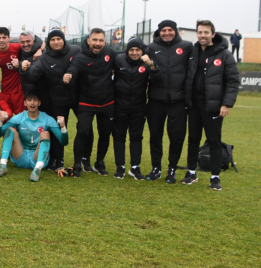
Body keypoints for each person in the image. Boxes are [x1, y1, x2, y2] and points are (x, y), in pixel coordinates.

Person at [182, 20, 240, 191]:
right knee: (193, 140)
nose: (202, 35)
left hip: (213, 107)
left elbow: (233, 81)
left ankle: (215, 177)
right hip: (194, 105)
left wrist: (226, 104)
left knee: (214, 141)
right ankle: (191, 173)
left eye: (206, 32)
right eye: (200, 32)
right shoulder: (193, 52)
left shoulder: (224, 54)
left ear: (213, 34)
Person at [20, 29, 81, 171]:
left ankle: (85, 159)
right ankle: (58, 159)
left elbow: (85, 61)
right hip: (58, 100)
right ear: (48, 42)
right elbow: (32, 76)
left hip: (78, 97)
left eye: (58, 39)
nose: (56, 42)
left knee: (84, 129)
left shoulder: (75, 50)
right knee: (58, 129)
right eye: (52, 40)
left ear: (63, 39)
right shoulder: (44, 58)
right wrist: (24, 71)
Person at [64, 28, 117, 178]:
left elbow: (123, 61)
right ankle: (77, 165)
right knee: (82, 132)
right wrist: (69, 76)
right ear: (88, 40)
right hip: (87, 103)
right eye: (94, 40)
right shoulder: (80, 57)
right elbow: (72, 70)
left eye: (100, 40)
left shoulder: (110, 54)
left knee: (105, 134)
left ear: (104, 42)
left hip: (107, 103)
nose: (97, 43)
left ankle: (99, 163)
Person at [145, 20, 193, 182]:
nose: (167, 33)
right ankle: (156, 168)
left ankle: (172, 169)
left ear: (176, 31)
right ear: (159, 32)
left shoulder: (186, 47)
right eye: (163, 30)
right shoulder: (151, 48)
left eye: (170, 30)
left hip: (178, 101)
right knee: (155, 136)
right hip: (155, 101)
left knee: (177, 137)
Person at [0, 93, 68, 182]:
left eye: (35, 100)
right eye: (29, 100)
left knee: (45, 133)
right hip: (20, 156)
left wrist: (63, 127)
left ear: (39, 103)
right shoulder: (19, 117)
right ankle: (3, 165)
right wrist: (0, 121)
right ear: (25, 103)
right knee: (10, 130)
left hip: (36, 158)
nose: (32, 103)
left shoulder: (47, 119)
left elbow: (64, 142)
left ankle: (37, 170)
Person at [112, 37, 154, 179]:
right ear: (127, 50)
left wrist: (152, 65)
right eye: (131, 50)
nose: (134, 52)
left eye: (137, 50)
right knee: (119, 136)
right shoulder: (118, 60)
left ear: (142, 51)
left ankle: (135, 167)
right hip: (119, 106)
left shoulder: (147, 63)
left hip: (139, 107)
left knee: (136, 137)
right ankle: (120, 167)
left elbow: (158, 78)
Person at [0, 27, 43, 114]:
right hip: (4, 89)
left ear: (9, 38)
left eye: (4, 37)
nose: (1, 40)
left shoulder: (17, 47)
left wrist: (40, 50)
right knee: (6, 116)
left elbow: (42, 42)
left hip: (18, 89)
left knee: (21, 116)